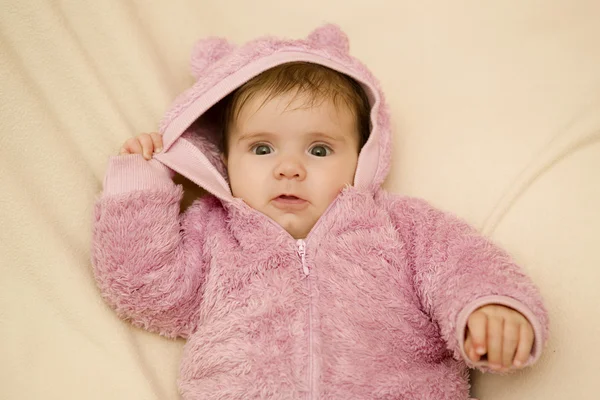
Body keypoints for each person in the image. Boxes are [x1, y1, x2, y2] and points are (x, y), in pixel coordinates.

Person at [91, 24, 549, 399]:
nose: (289, 168)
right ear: (224, 159)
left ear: (363, 156)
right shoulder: (212, 235)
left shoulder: (401, 228)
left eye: (320, 149)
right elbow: (142, 288)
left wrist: (489, 307)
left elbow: (463, 264)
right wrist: (142, 186)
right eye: (263, 148)